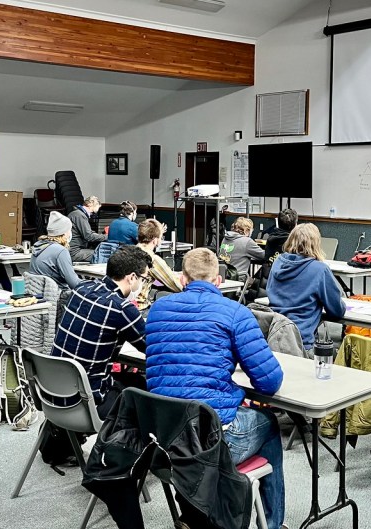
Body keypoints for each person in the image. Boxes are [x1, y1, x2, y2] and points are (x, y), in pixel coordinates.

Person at [145, 248, 286, 529]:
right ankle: (272, 523)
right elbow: (270, 382)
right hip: (211, 440)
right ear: (218, 281)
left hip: (163, 439)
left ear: (182, 279)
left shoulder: (158, 309)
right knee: (269, 423)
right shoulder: (235, 313)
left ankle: (194, 513)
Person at [49, 245, 151, 418]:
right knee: (143, 388)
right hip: (87, 400)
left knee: (129, 379)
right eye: (144, 279)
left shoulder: (81, 289)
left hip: (52, 390)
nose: (143, 284)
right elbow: (150, 347)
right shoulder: (121, 308)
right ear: (132, 277)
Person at [267, 223, 345, 350]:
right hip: (301, 340)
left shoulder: (277, 262)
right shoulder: (320, 270)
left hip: (273, 335)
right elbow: (337, 311)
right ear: (316, 243)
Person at [134, 219, 183, 311]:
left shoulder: (129, 251)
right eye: (161, 237)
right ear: (155, 240)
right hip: (140, 308)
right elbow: (176, 286)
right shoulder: (152, 259)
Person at [29, 211, 82, 291]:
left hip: (38, 292)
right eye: (69, 230)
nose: (70, 233)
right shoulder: (60, 251)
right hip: (56, 294)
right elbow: (74, 284)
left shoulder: (38, 246)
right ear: (64, 233)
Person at [68, 195, 106, 262]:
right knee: (102, 255)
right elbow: (89, 236)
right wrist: (107, 237)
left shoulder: (75, 213)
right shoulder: (79, 215)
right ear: (90, 205)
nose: (91, 216)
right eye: (92, 213)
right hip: (74, 252)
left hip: (71, 250)